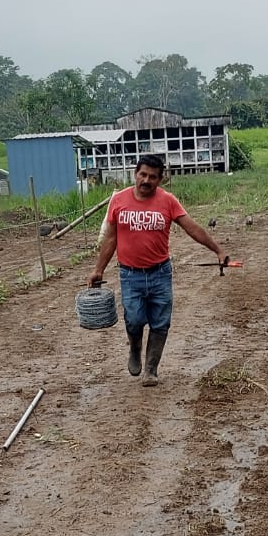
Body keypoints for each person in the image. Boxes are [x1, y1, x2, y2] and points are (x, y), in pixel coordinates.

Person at [87, 153, 225, 387]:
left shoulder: (168, 201)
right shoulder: (119, 200)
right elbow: (110, 238)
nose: (146, 180)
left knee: (160, 322)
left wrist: (218, 250)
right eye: (142, 174)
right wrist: (98, 269)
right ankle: (135, 348)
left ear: (160, 179)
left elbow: (192, 228)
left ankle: (151, 369)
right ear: (135, 174)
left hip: (160, 273)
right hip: (130, 274)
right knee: (133, 320)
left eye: (152, 177)